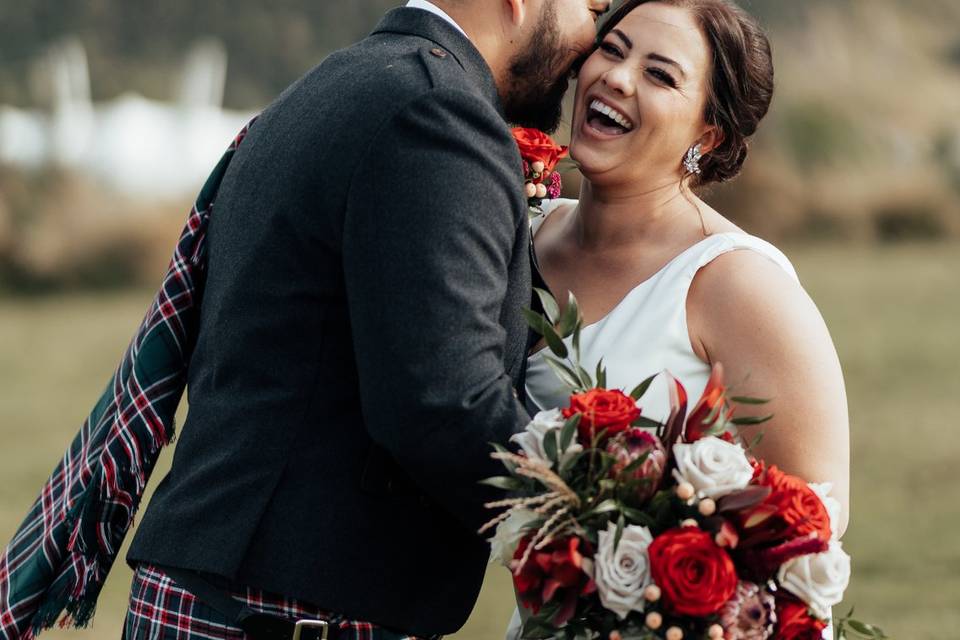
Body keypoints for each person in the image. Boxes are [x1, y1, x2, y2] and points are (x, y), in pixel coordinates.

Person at [119, 1, 612, 640]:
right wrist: (618, 528)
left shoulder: (336, 83)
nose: (591, 37)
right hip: (285, 611)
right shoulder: (439, 112)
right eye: (590, 7)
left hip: (223, 589)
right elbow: (445, 403)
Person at [508, 0, 849, 636]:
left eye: (660, 75)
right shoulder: (515, 233)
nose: (616, 76)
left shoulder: (737, 283)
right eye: (612, 49)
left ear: (707, 136)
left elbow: (811, 524)